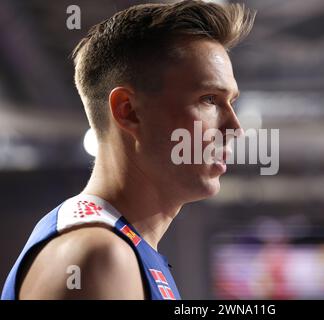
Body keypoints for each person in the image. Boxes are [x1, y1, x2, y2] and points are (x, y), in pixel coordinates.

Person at [1, 0, 255, 300]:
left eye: (231, 102)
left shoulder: (116, 245)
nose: (234, 128)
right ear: (129, 110)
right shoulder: (101, 255)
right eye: (209, 99)